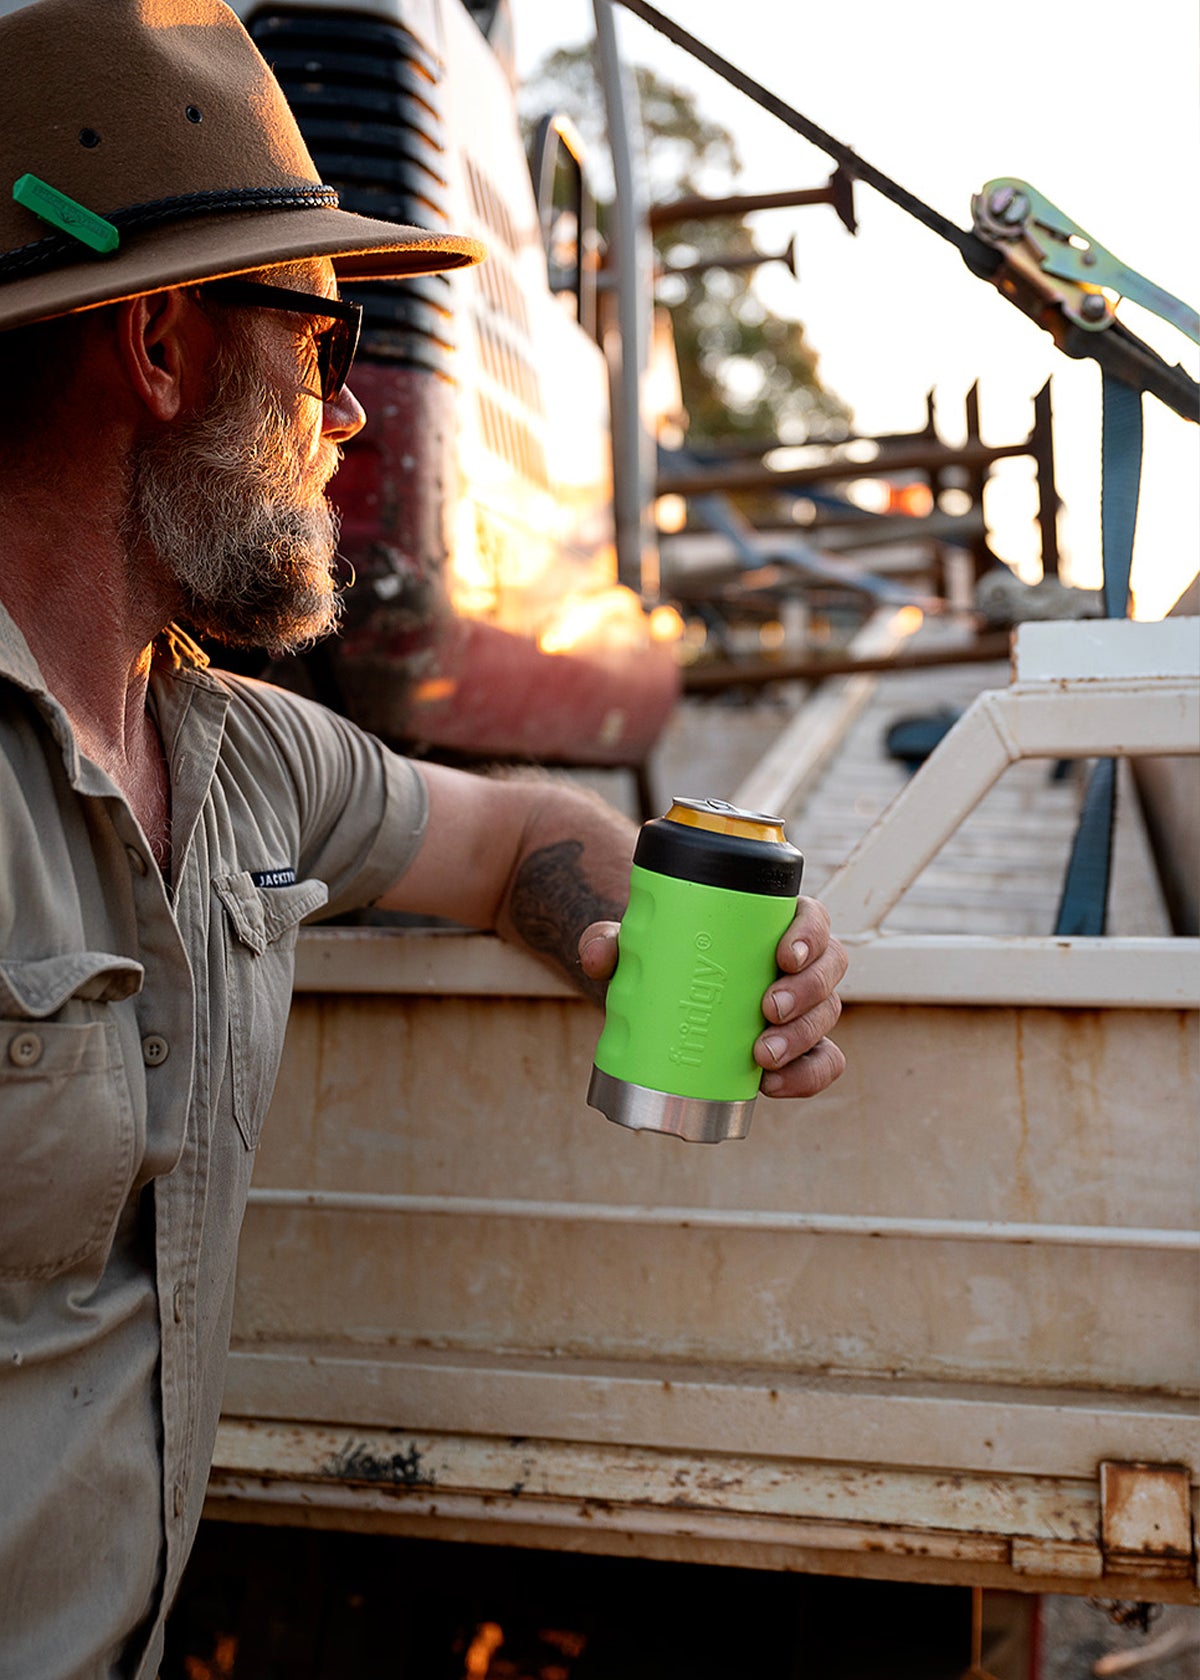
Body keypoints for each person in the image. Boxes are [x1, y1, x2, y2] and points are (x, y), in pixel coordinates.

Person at [0, 1, 848, 1674]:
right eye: (319, 341)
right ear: (161, 349)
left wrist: (660, 942)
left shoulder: (237, 755)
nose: (354, 416)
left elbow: (512, 829)